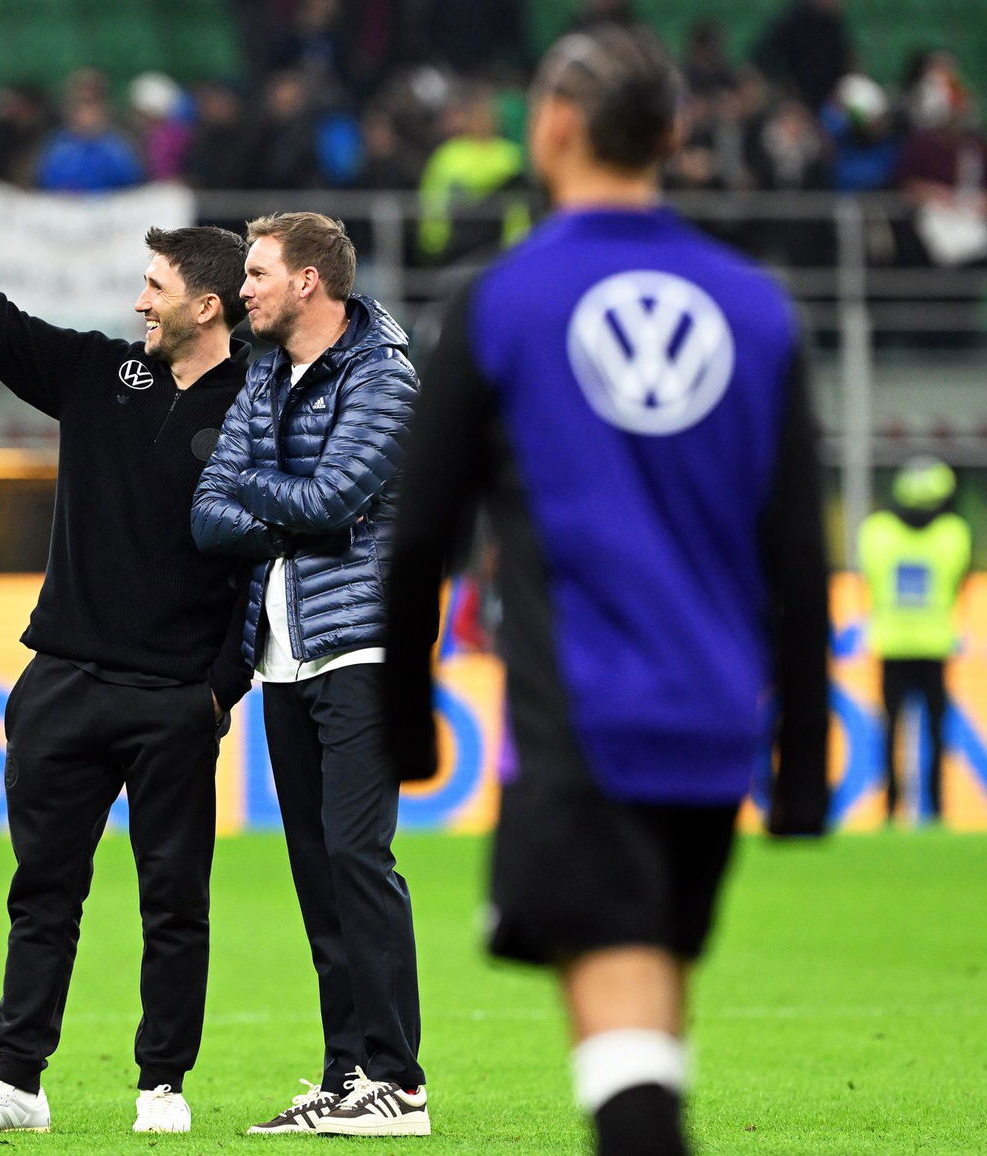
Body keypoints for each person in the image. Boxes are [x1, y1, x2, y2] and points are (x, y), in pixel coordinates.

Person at [382, 26, 830, 1156]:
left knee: (625, 1056)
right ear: (674, 136)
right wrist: (804, 763)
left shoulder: (501, 302)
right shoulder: (756, 306)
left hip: (587, 725)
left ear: (558, 126)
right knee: (652, 1010)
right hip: (717, 727)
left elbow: (421, 533)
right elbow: (796, 558)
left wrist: (403, 723)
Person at [0, 130, 253, 1136]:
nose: (139, 299)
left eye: (154, 285)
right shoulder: (101, 376)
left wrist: (217, 685)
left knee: (173, 899)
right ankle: (16, 1083)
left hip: (173, 697)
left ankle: (162, 1086)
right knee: (41, 891)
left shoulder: (256, 409)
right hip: (61, 683)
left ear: (205, 305)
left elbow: (263, 564)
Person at [191, 211, 428, 1137]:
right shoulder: (262, 374)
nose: (241, 288)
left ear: (308, 282)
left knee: (359, 855)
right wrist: (274, 500)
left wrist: (250, 482)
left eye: (255, 273)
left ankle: (400, 1083)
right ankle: (346, 1072)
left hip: (363, 644)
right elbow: (210, 514)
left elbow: (337, 497)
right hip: (283, 653)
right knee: (316, 868)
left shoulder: (386, 376)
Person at [858, 456, 972, 824]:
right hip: (934, 645)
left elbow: (870, 579)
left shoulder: (876, 531)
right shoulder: (954, 533)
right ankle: (935, 811)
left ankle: (892, 810)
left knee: (892, 731)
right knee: (936, 734)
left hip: (891, 643)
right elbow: (956, 582)